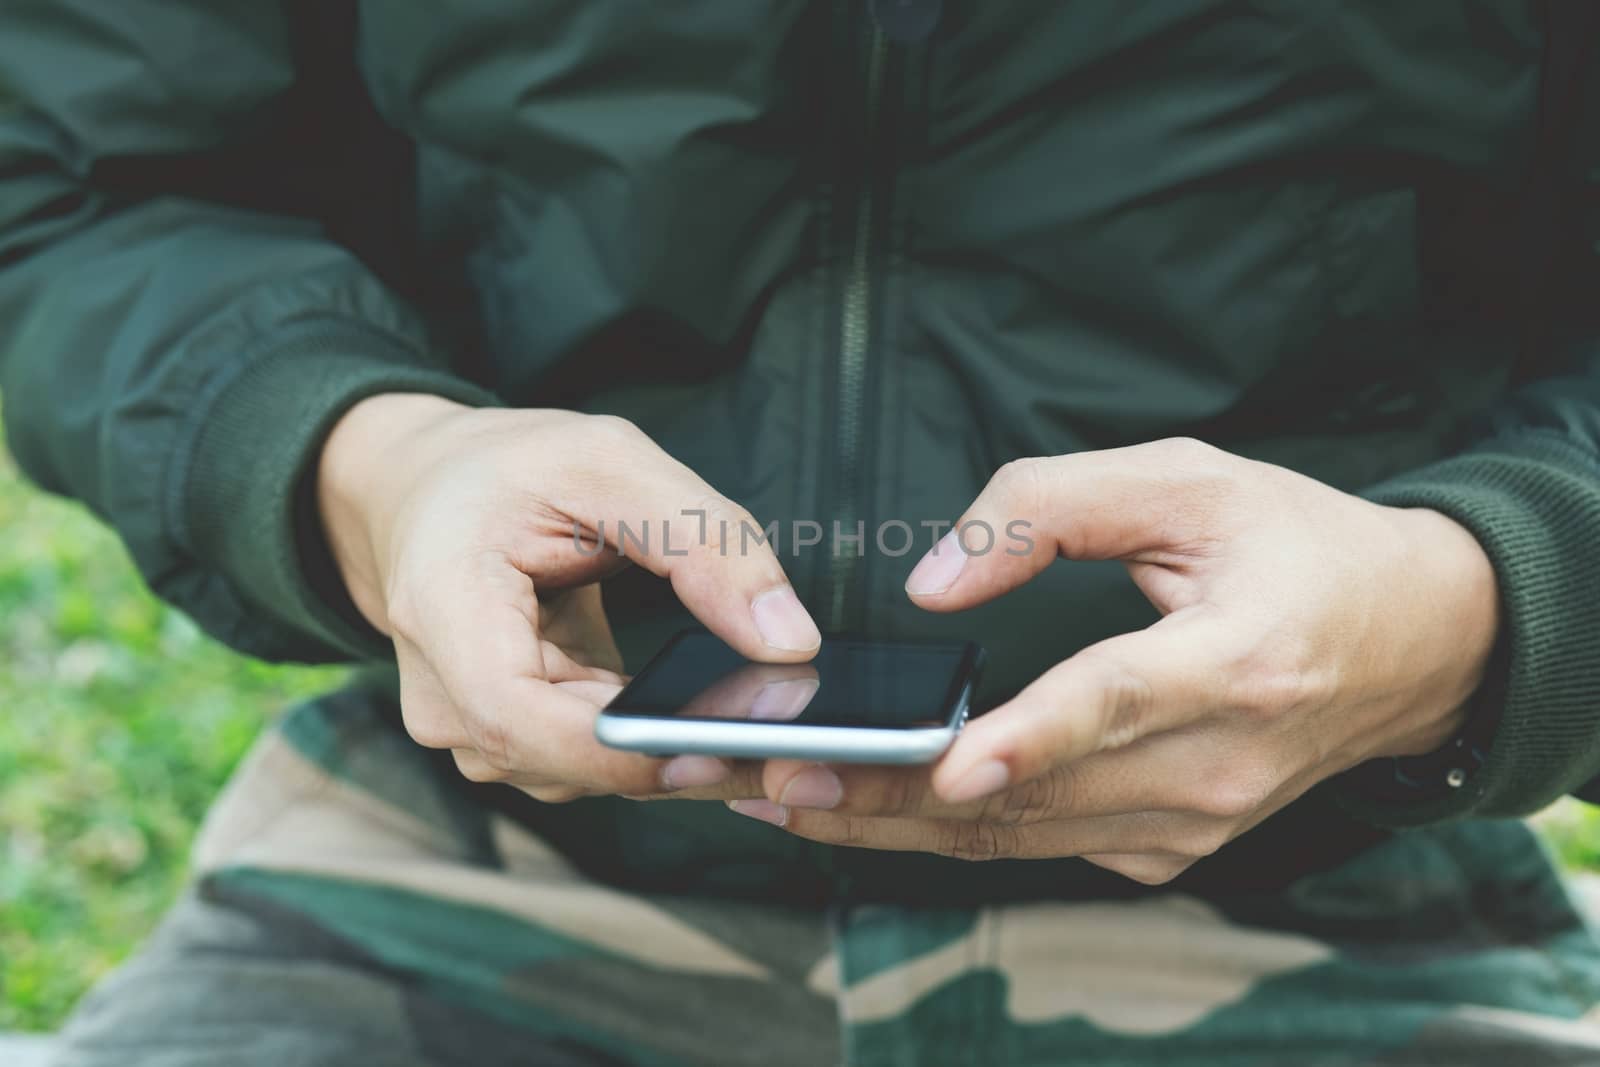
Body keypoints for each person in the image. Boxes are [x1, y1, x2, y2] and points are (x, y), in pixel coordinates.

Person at [4, 2, 1600, 1064]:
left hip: (1333, 898)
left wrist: (1478, 603)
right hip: (482, 864)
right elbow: (77, 175)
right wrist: (374, 463)